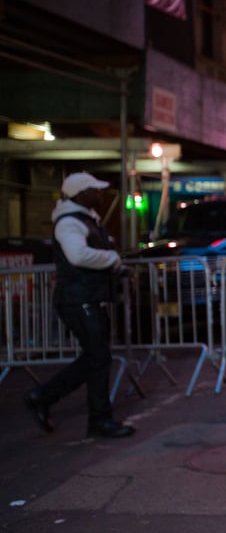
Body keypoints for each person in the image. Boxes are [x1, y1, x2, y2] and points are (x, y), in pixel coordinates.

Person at [24, 172, 135, 439]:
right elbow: (77, 255)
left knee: (96, 357)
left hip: (85, 297)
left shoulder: (84, 219)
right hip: (78, 299)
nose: (100, 194)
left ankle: (48, 398)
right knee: (98, 357)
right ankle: (92, 416)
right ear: (80, 194)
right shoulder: (69, 223)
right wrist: (110, 258)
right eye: (94, 190)